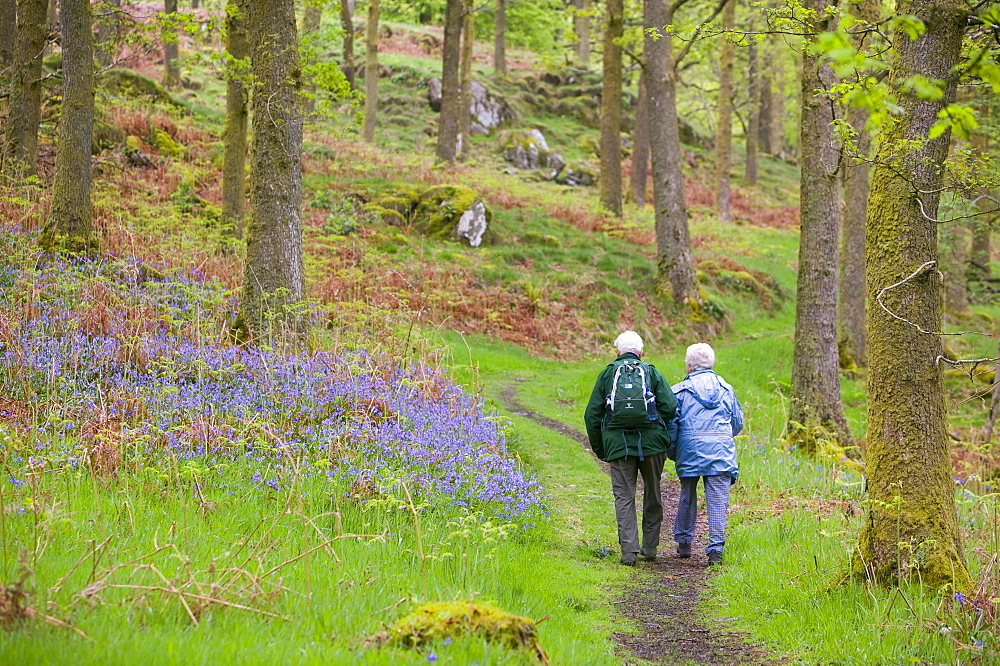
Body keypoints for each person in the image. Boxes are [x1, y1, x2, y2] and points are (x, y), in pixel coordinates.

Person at [584, 331, 677, 566]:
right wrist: (658, 425)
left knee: (624, 497)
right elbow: (670, 406)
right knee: (653, 492)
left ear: (617, 352)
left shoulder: (607, 373)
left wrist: (601, 448)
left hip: (618, 445)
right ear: (641, 352)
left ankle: (628, 551)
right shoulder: (651, 371)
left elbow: (591, 415)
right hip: (653, 444)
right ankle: (651, 547)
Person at [668, 342, 743, 566]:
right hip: (720, 450)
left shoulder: (679, 391)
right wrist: (721, 437)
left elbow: (671, 426)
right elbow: (737, 422)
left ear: (689, 365)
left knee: (687, 495)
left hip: (689, 449)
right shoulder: (726, 389)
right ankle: (715, 550)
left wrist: (673, 450)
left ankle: (684, 543)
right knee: (718, 501)